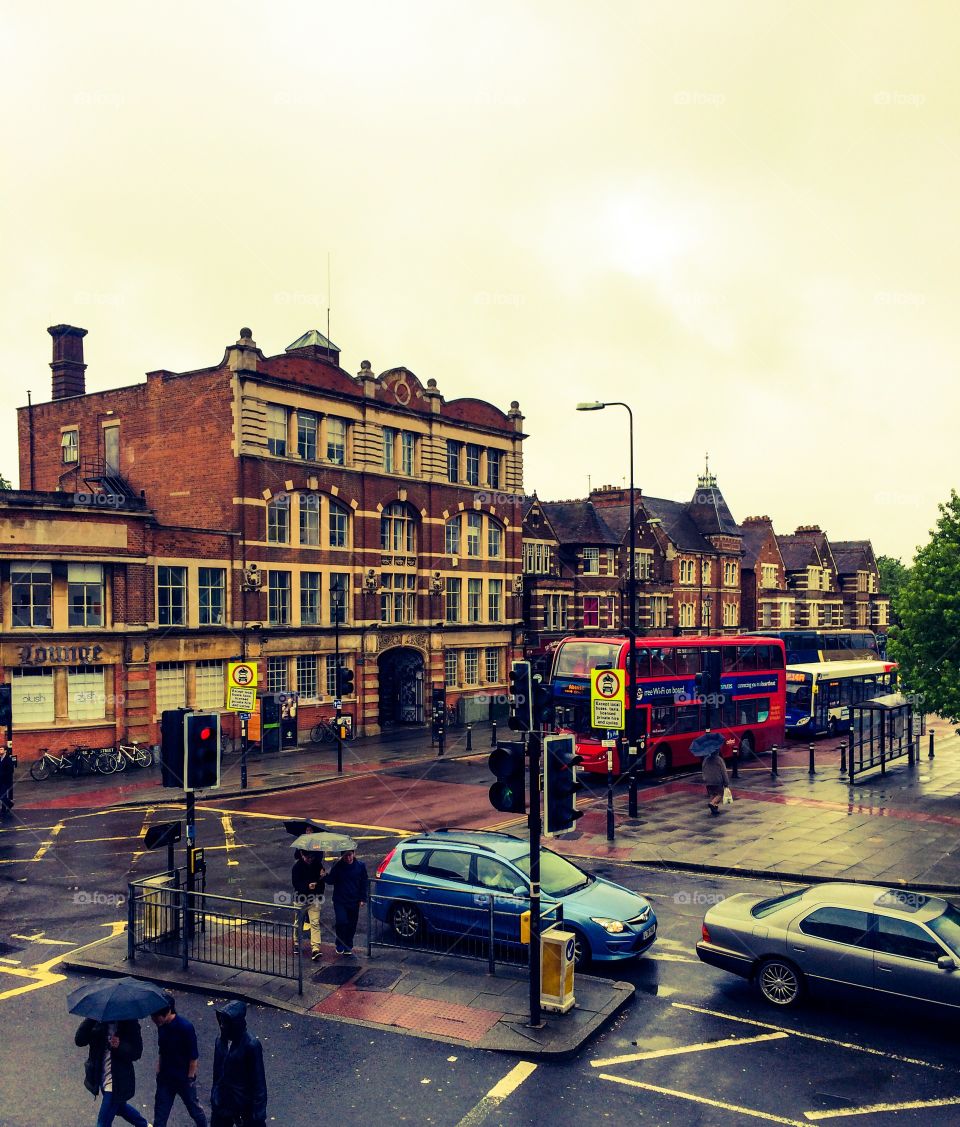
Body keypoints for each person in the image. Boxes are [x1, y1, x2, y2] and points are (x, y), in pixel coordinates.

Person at [75, 1014, 150, 1127]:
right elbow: (80, 1040)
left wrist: (120, 1046)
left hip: (117, 1081)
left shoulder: (129, 1022)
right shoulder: (98, 1020)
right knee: (120, 1107)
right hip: (102, 1076)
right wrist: (91, 1018)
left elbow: (136, 1052)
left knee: (102, 1123)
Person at [150, 991, 207, 1127]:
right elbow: (162, 1049)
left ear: (167, 1012)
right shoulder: (161, 1026)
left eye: (156, 1018)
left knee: (195, 1111)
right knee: (160, 1117)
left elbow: (193, 1057)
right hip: (165, 1078)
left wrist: (190, 1078)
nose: (154, 1020)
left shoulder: (185, 1027)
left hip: (183, 1079)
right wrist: (159, 1069)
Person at [210, 1000, 267, 1127]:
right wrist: (214, 1097)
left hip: (243, 1106)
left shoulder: (251, 1045)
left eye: (226, 1023)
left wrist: (258, 1116)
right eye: (222, 1021)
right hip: (222, 1104)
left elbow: (259, 1084)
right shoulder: (220, 1042)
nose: (222, 1026)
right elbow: (217, 1074)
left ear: (236, 1025)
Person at [325, 846, 368, 955]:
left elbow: (364, 882)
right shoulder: (338, 866)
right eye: (346, 855)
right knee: (341, 922)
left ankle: (348, 944)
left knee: (352, 924)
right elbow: (331, 880)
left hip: (354, 900)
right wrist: (325, 875)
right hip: (340, 900)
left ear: (354, 854)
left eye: (350, 855)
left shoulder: (360, 866)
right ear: (342, 856)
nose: (348, 858)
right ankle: (340, 943)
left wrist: (363, 898)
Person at [291, 848, 326, 961]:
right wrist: (307, 886)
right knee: (298, 923)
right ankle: (297, 942)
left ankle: (315, 948)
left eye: (312, 857)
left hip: (314, 899)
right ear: (302, 854)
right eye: (308, 857)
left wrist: (322, 877)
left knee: (315, 923)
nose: (310, 859)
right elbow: (296, 884)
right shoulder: (297, 867)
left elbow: (322, 883)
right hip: (301, 899)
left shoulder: (318, 864)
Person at [701, 747, 731, 816]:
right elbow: (724, 771)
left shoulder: (706, 759)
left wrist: (704, 778)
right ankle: (712, 804)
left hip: (708, 781)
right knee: (720, 794)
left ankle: (714, 809)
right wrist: (726, 782)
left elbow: (703, 769)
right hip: (717, 780)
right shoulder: (719, 760)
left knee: (712, 794)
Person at [0, 744, 13, 816]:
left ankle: (10, 804)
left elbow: (11, 770)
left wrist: (3, 775)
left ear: (5, 751)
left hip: (5, 781)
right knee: (2, 795)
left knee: (2, 795)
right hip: (0, 780)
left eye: (1, 749)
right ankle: (3, 809)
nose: (0, 750)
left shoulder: (8, 759)